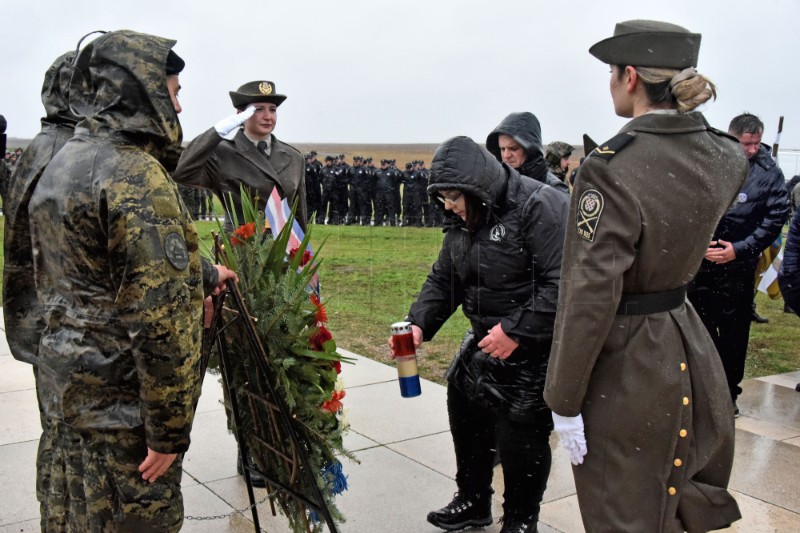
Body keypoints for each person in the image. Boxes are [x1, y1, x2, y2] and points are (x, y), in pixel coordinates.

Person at [544, 19, 748, 532]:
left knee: (623, 505)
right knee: (672, 505)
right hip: (686, 338)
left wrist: (563, 398)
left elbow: (591, 291)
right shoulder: (724, 154)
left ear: (629, 75)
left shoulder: (610, 167)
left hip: (628, 360)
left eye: (611, 72)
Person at [27, 30, 235, 531]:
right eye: (173, 91)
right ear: (140, 91)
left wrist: (202, 272)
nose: (180, 108)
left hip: (66, 402)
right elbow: (161, 322)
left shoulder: (63, 162)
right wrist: (168, 431)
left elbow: (93, 269)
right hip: (122, 419)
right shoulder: (134, 174)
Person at [392, 136, 567, 532]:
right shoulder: (462, 218)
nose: (448, 206)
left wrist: (517, 330)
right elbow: (445, 277)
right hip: (487, 339)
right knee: (466, 413)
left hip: (535, 344)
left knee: (521, 437)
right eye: (442, 198)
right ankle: (473, 500)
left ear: (478, 188)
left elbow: (564, 283)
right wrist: (419, 322)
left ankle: (521, 520)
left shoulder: (540, 205)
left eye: (454, 197)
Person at [688, 112, 789, 414]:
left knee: (734, 334)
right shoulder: (709, 162)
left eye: (757, 143)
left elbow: (775, 217)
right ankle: (700, 390)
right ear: (732, 138)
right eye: (747, 143)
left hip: (738, 266)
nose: (752, 150)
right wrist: (698, 244)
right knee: (699, 330)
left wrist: (741, 249)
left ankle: (728, 393)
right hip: (702, 265)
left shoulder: (769, 173)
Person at [172, 80, 307, 230]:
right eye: (259, 109)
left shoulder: (294, 157)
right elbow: (182, 172)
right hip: (239, 245)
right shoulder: (222, 152)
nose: (268, 116)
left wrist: (301, 251)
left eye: (273, 109)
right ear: (240, 115)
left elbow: (298, 212)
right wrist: (217, 131)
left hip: (282, 246)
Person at [486, 112, 570, 195]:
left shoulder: (554, 190)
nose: (506, 155)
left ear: (531, 150)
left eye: (513, 149)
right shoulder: (495, 184)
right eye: (502, 149)